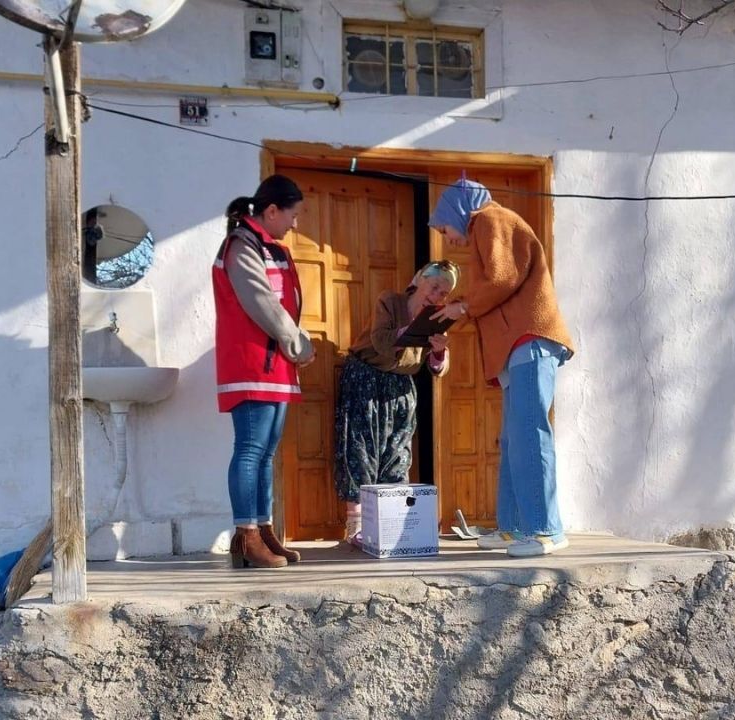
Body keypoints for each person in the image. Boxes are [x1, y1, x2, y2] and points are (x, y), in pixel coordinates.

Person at [429, 179, 575, 557]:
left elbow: (504, 277)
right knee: (514, 439)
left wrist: (462, 307)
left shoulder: (491, 220)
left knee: (529, 434)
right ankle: (512, 528)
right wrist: (459, 306)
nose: (448, 239)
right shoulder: (485, 227)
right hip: (518, 348)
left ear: (458, 213)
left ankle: (545, 530)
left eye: (444, 228)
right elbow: (496, 284)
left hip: (530, 341)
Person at [213, 174, 315, 569]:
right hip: (251, 363)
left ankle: (263, 530)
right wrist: (298, 345)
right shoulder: (242, 246)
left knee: (266, 454)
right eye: (293, 215)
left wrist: (296, 344)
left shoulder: (271, 247)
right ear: (271, 210)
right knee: (251, 449)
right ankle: (247, 535)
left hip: (274, 366)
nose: (295, 224)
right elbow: (263, 304)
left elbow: (285, 308)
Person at [335, 261, 460, 544]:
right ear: (419, 280)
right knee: (360, 449)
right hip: (366, 378)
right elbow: (380, 341)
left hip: (401, 387)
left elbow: (438, 368)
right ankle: (356, 527)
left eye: (444, 292)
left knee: (397, 453)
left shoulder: (438, 317)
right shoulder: (390, 300)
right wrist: (413, 331)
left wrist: (440, 351)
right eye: (435, 286)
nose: (438, 295)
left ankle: (390, 527)